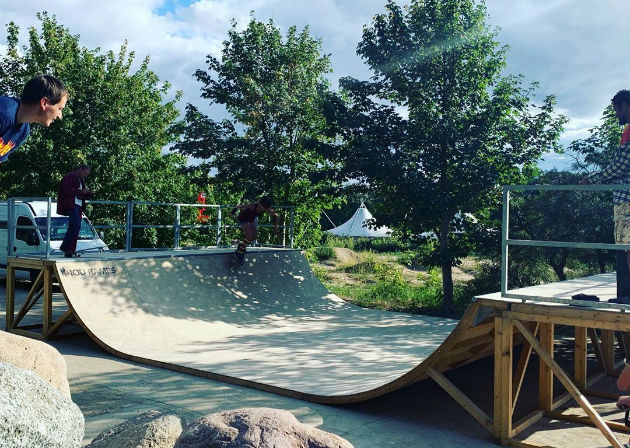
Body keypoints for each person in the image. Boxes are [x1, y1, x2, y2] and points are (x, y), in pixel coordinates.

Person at [580, 90, 630, 293]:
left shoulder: (629, 132)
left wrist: (591, 179)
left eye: (617, 110)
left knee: (627, 245)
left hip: (627, 199)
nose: (617, 115)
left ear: (625, 105)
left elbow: (619, 167)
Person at [0, 74, 68, 162]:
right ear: (44, 102)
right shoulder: (3, 112)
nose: (60, 116)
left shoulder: (23, 132)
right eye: (59, 108)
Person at [230, 195, 279, 265]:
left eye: (267, 208)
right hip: (243, 218)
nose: (267, 210)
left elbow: (276, 215)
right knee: (250, 236)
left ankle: (241, 245)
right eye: (265, 208)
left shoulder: (267, 208)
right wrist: (232, 212)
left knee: (254, 236)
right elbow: (239, 206)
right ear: (260, 205)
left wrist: (276, 226)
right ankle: (239, 253)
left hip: (251, 219)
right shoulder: (253, 205)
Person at [57, 165, 93, 257]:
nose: (85, 175)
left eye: (87, 174)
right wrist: (81, 192)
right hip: (71, 204)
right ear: (80, 169)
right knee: (75, 225)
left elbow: (81, 193)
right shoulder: (69, 176)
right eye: (85, 173)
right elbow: (67, 189)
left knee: (77, 227)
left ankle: (70, 250)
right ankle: (65, 247)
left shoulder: (80, 180)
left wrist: (88, 193)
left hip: (78, 205)